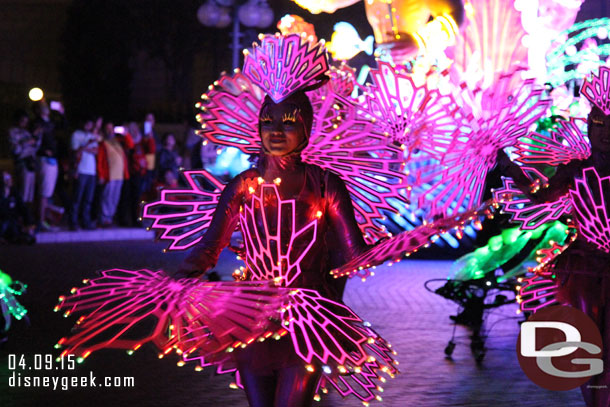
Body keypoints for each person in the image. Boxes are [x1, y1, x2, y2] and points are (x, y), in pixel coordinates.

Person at [177, 89, 371, 407]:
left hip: (309, 321)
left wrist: (403, 244)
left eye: (289, 122)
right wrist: (179, 280)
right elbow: (211, 246)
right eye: (268, 122)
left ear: (306, 128)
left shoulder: (324, 184)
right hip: (254, 318)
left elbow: (351, 254)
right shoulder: (243, 185)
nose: (276, 131)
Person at [498, 104, 610, 407]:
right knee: (589, 347)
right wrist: (509, 167)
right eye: (599, 123)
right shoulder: (575, 171)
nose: (605, 131)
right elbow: (541, 195)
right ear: (588, 127)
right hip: (584, 267)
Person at [32, 101, 61, 230]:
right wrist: (44, 151)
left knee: (48, 191)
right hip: (44, 159)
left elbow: (62, 126)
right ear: (38, 110)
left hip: (52, 159)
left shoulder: (49, 122)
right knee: (43, 191)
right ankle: (41, 221)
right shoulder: (37, 123)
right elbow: (35, 140)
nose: (47, 107)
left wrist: (61, 112)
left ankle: (44, 220)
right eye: (43, 106)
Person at [8, 109, 40, 216]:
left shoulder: (27, 132)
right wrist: (27, 142)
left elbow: (35, 147)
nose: (24, 124)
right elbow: (15, 150)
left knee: (29, 195)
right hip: (22, 163)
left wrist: (36, 136)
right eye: (22, 121)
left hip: (31, 164)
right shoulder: (12, 132)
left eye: (26, 121)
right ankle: (18, 218)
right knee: (22, 192)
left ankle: (26, 218)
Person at [96, 121, 129, 227]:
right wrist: (101, 174)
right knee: (107, 197)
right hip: (109, 175)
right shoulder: (103, 143)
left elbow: (130, 144)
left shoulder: (118, 141)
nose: (110, 131)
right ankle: (104, 219)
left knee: (115, 198)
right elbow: (100, 160)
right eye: (108, 129)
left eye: (112, 128)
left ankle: (109, 218)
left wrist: (126, 133)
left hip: (120, 175)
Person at [70, 117, 99, 230]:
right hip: (81, 170)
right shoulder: (76, 135)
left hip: (91, 171)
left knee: (88, 198)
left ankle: (85, 221)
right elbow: (75, 151)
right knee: (77, 197)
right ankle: (73, 221)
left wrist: (85, 147)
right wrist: (88, 145)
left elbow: (96, 151)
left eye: (90, 124)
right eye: (87, 123)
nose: (89, 126)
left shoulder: (92, 136)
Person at [0, 171, 35, 245]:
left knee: (28, 225)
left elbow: (23, 207)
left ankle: (22, 235)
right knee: (6, 224)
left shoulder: (14, 192)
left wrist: (28, 222)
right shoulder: (1, 194)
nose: (9, 180)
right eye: (6, 178)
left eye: (10, 177)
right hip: (4, 221)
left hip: (13, 221)